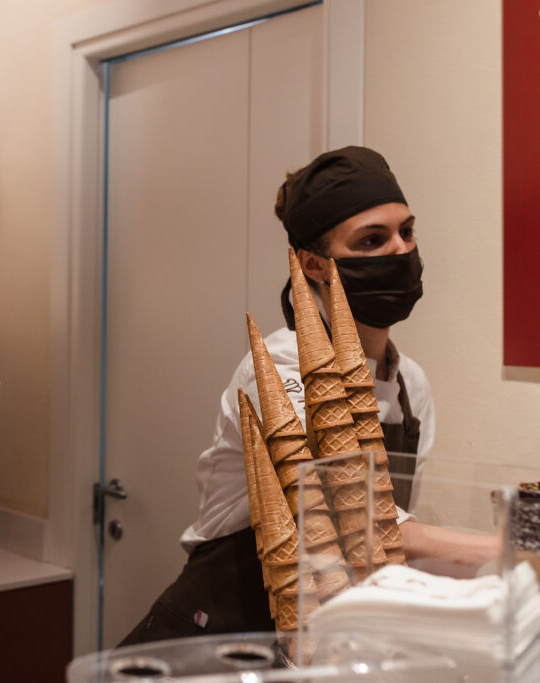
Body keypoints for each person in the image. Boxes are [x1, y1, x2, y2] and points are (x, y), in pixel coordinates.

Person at [119, 146, 495, 646]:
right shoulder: (277, 368)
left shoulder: (411, 387)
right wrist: (511, 549)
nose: (401, 252)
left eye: (407, 231)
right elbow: (357, 526)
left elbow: (390, 546)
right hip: (217, 638)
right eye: (372, 240)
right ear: (313, 265)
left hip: (318, 643)